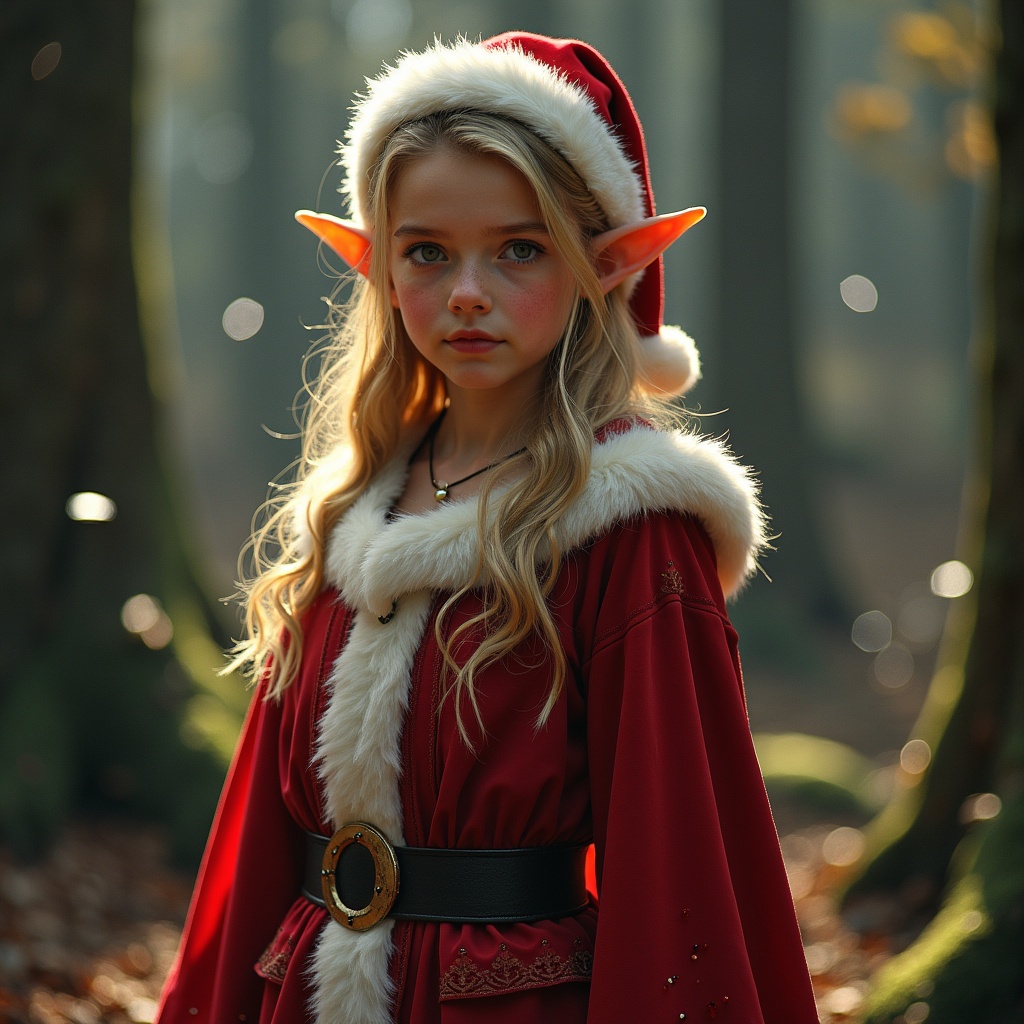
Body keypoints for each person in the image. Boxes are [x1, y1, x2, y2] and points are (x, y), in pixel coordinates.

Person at [156, 32, 819, 1024]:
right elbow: (256, 842)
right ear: (377, 267)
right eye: (427, 251)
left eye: (518, 249)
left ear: (604, 266)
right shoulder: (353, 508)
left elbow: (679, 866)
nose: (467, 292)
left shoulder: (630, 528)